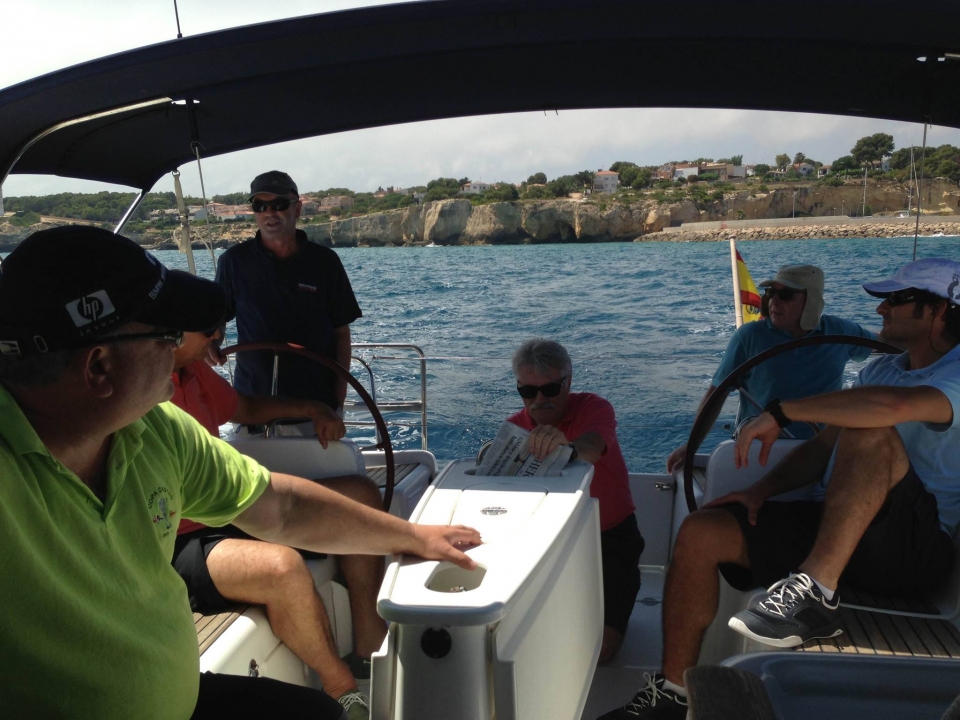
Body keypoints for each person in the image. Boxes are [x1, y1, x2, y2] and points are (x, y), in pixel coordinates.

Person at [0, 226, 481, 720]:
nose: (177, 354)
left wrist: (412, 537)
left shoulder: (156, 430)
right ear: (99, 367)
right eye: (167, 335)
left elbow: (284, 507)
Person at [601, 258, 960, 720]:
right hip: (843, 527)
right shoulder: (881, 371)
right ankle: (674, 693)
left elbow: (893, 408)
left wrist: (783, 412)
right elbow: (823, 447)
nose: (881, 311)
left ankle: (816, 591)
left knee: (870, 428)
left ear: (936, 311)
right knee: (701, 530)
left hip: (911, 548)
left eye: (895, 300)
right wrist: (762, 490)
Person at [171, 324, 385, 717]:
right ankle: (342, 688)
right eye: (207, 330)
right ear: (171, 332)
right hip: (174, 539)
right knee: (281, 568)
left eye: (220, 327)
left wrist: (311, 407)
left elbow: (246, 409)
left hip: (226, 508)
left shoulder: (195, 373)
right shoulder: (142, 390)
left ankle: (370, 649)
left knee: (360, 497)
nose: (217, 337)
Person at [507, 338, 644, 663]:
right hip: (545, 546)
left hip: (609, 542)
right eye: (528, 392)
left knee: (601, 650)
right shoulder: (513, 429)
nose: (539, 400)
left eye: (550, 389)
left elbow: (593, 445)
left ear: (567, 382)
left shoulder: (595, 408)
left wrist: (564, 447)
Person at [666, 264, 876, 473]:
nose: (774, 300)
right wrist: (691, 445)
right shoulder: (749, 337)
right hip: (758, 451)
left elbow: (888, 347)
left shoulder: (840, 332)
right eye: (771, 292)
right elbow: (716, 394)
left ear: (811, 301)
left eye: (785, 295)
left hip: (822, 451)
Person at [215, 170, 361, 413]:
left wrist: (337, 402)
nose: (269, 213)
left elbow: (341, 333)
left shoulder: (325, 262)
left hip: (316, 407)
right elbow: (218, 318)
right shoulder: (233, 262)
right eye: (260, 206)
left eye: (279, 204)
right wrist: (214, 339)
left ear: (297, 209)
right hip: (253, 406)